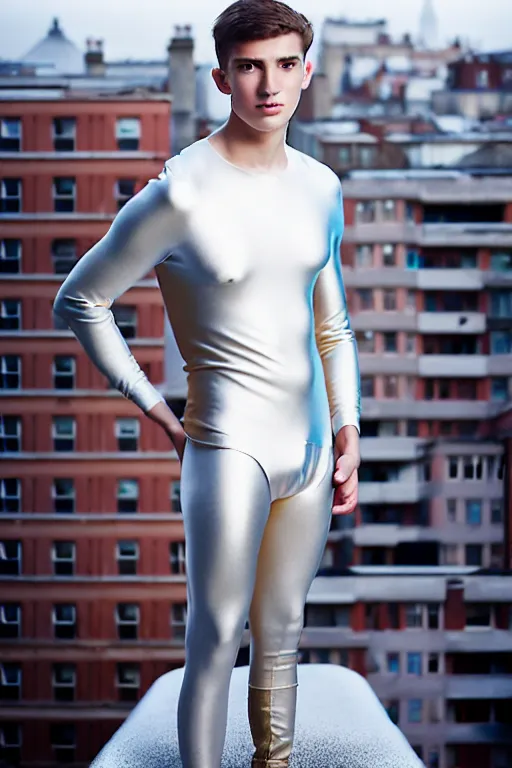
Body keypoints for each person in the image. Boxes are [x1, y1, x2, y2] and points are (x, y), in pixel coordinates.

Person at [53, 1, 361, 765]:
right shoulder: (182, 192)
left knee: (283, 630)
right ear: (222, 75)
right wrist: (155, 408)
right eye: (251, 66)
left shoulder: (321, 186)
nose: (269, 85)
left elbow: (333, 325)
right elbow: (80, 300)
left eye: (286, 64)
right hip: (227, 448)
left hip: (314, 447)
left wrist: (350, 427)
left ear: (306, 71)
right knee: (216, 635)